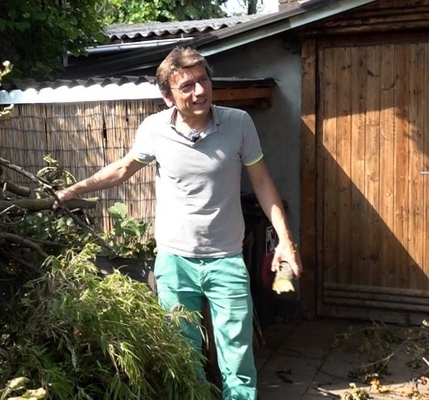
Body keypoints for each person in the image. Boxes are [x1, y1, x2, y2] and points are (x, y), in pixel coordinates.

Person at [53, 46, 302, 399]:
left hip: (226, 259)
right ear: (168, 96)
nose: (199, 91)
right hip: (174, 261)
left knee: (237, 357)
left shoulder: (238, 124)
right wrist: (73, 190)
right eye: (187, 86)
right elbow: (123, 169)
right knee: (183, 356)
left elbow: (262, 183)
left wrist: (285, 241)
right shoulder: (154, 130)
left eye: (203, 81)